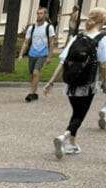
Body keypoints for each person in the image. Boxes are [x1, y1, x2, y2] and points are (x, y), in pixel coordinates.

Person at [44, 8, 106, 158]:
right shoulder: (102, 39)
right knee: (79, 115)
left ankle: (72, 144)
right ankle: (64, 137)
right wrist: (105, 81)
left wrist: (50, 82)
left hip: (71, 84)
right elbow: (104, 64)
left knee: (76, 113)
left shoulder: (77, 37)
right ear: (102, 20)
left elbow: (63, 62)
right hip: (88, 84)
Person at [21, 7, 55, 102]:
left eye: (41, 13)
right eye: (38, 13)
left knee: (36, 72)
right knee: (32, 74)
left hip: (43, 54)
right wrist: (21, 54)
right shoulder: (32, 28)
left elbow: (51, 43)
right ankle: (35, 93)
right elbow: (26, 42)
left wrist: (49, 56)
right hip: (32, 54)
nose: (39, 15)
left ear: (45, 15)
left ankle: (31, 93)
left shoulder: (49, 27)